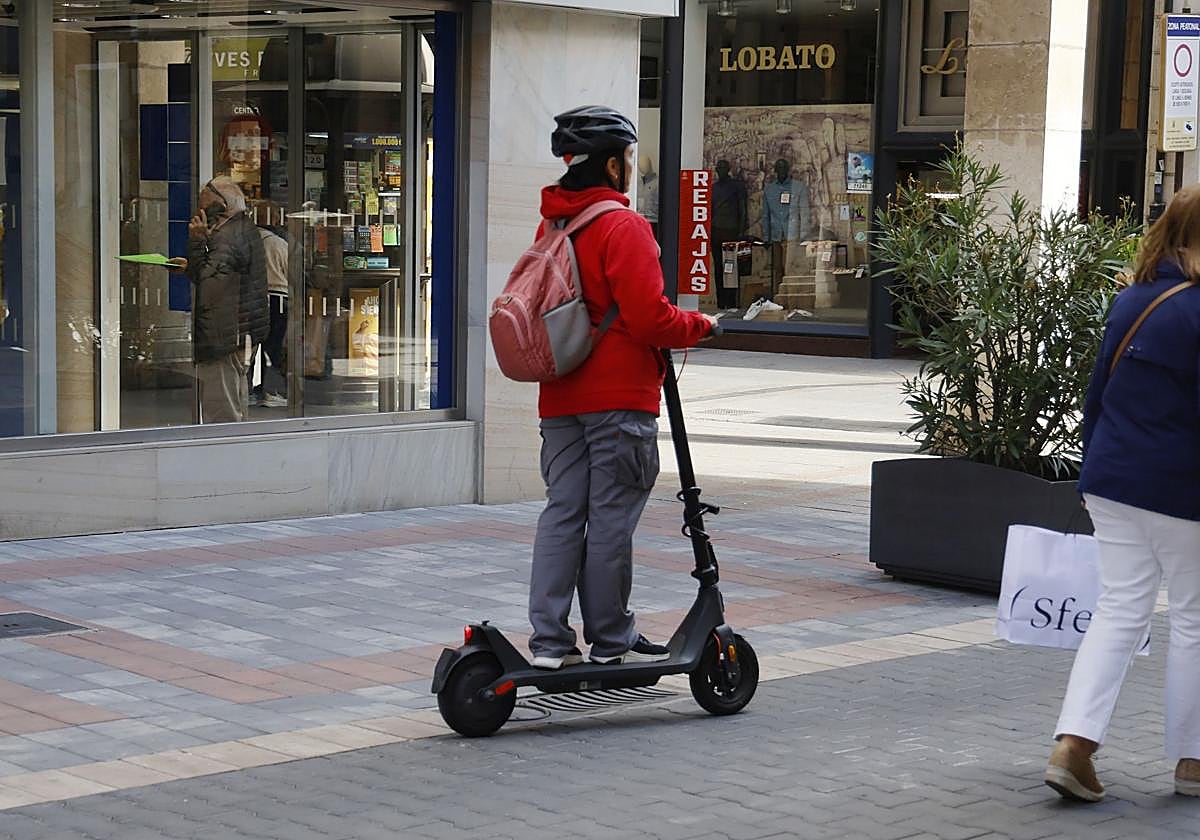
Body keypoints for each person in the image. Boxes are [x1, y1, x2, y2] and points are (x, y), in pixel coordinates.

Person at [528, 105, 718, 670]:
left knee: (563, 512)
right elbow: (650, 319)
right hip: (619, 403)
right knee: (611, 518)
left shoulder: (552, 225)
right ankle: (611, 638)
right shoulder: (622, 225)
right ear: (612, 165)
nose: (631, 169)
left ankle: (548, 644)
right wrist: (702, 325)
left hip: (559, 395)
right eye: (629, 159)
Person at [1044, 184, 1200, 802]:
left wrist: (1094, 470)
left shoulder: (1134, 298)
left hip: (1114, 477)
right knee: (1193, 619)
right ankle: (1193, 760)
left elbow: (1098, 394)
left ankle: (1073, 746)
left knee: (1118, 610)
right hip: (1184, 488)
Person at [173, 176, 268, 423]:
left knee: (222, 411)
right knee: (236, 401)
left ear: (222, 206)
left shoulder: (227, 237)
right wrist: (191, 265)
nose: (201, 212)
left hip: (223, 334)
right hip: (240, 331)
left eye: (205, 206)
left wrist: (196, 242)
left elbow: (210, 285)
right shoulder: (244, 229)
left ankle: (227, 458)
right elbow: (222, 274)